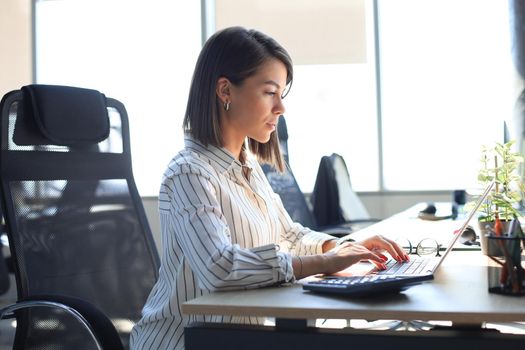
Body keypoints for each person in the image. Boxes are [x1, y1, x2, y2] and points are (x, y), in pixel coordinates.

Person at [130, 26, 408, 350]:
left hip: (238, 339)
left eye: (281, 95)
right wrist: (325, 264)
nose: (281, 108)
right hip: (184, 342)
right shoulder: (188, 173)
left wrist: (343, 247)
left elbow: (288, 236)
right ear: (225, 91)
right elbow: (220, 268)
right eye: (269, 92)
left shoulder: (248, 166)